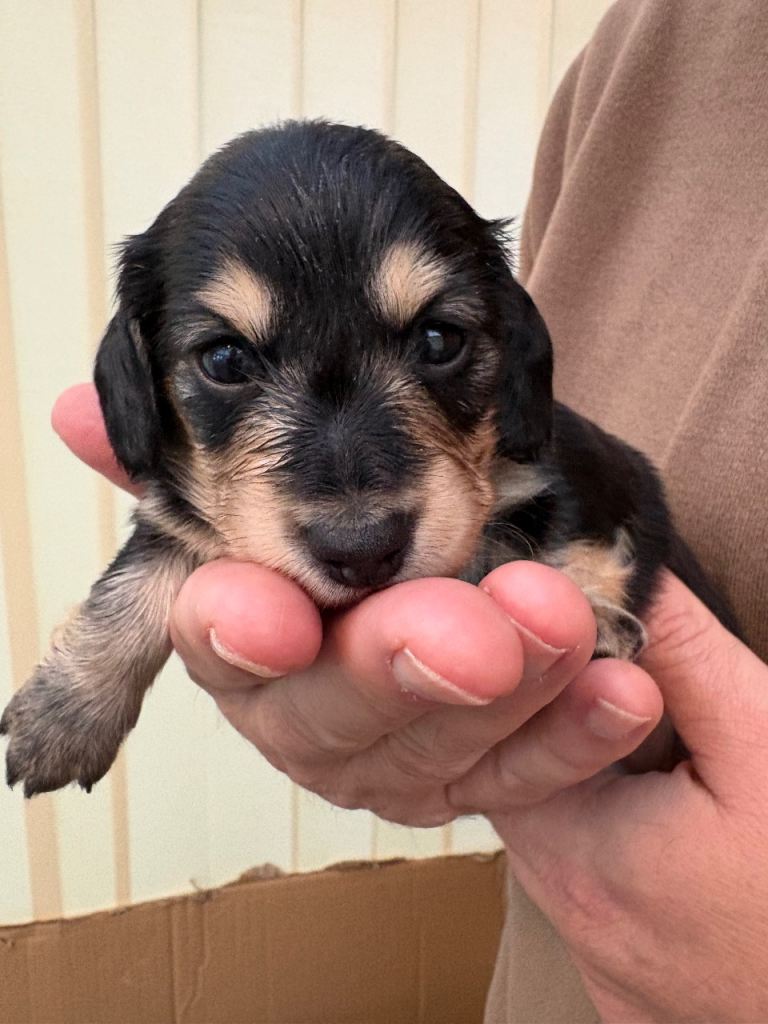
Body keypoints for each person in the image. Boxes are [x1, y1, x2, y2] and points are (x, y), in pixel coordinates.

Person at [54, 0, 768, 1019]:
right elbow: (169, 529)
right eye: (226, 359)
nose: (354, 506)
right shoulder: (650, 47)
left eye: (437, 343)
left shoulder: (524, 443)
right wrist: (89, 676)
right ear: (145, 378)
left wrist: (595, 595)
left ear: (509, 350)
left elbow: (615, 492)